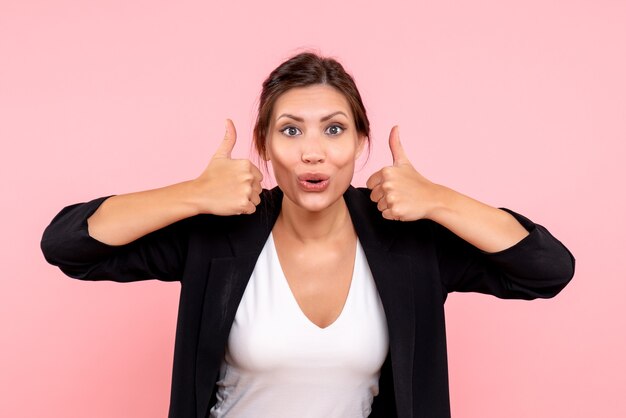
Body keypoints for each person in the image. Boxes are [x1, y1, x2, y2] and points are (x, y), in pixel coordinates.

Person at [41, 52, 575, 418]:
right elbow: (68, 245)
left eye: (334, 129)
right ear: (264, 145)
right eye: (290, 130)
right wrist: (193, 193)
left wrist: (438, 200)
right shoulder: (220, 232)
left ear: (361, 141)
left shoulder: (408, 239)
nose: (313, 151)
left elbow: (548, 270)